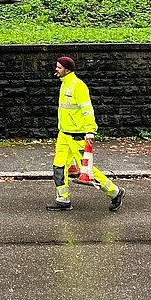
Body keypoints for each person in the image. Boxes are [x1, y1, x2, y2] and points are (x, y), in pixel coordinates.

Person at [47, 56, 125, 212]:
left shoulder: (78, 86)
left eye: (59, 67)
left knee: (87, 170)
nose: (56, 69)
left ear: (67, 70)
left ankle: (115, 192)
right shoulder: (65, 84)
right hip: (64, 134)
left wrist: (90, 130)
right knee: (59, 166)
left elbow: (87, 110)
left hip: (77, 135)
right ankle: (63, 199)